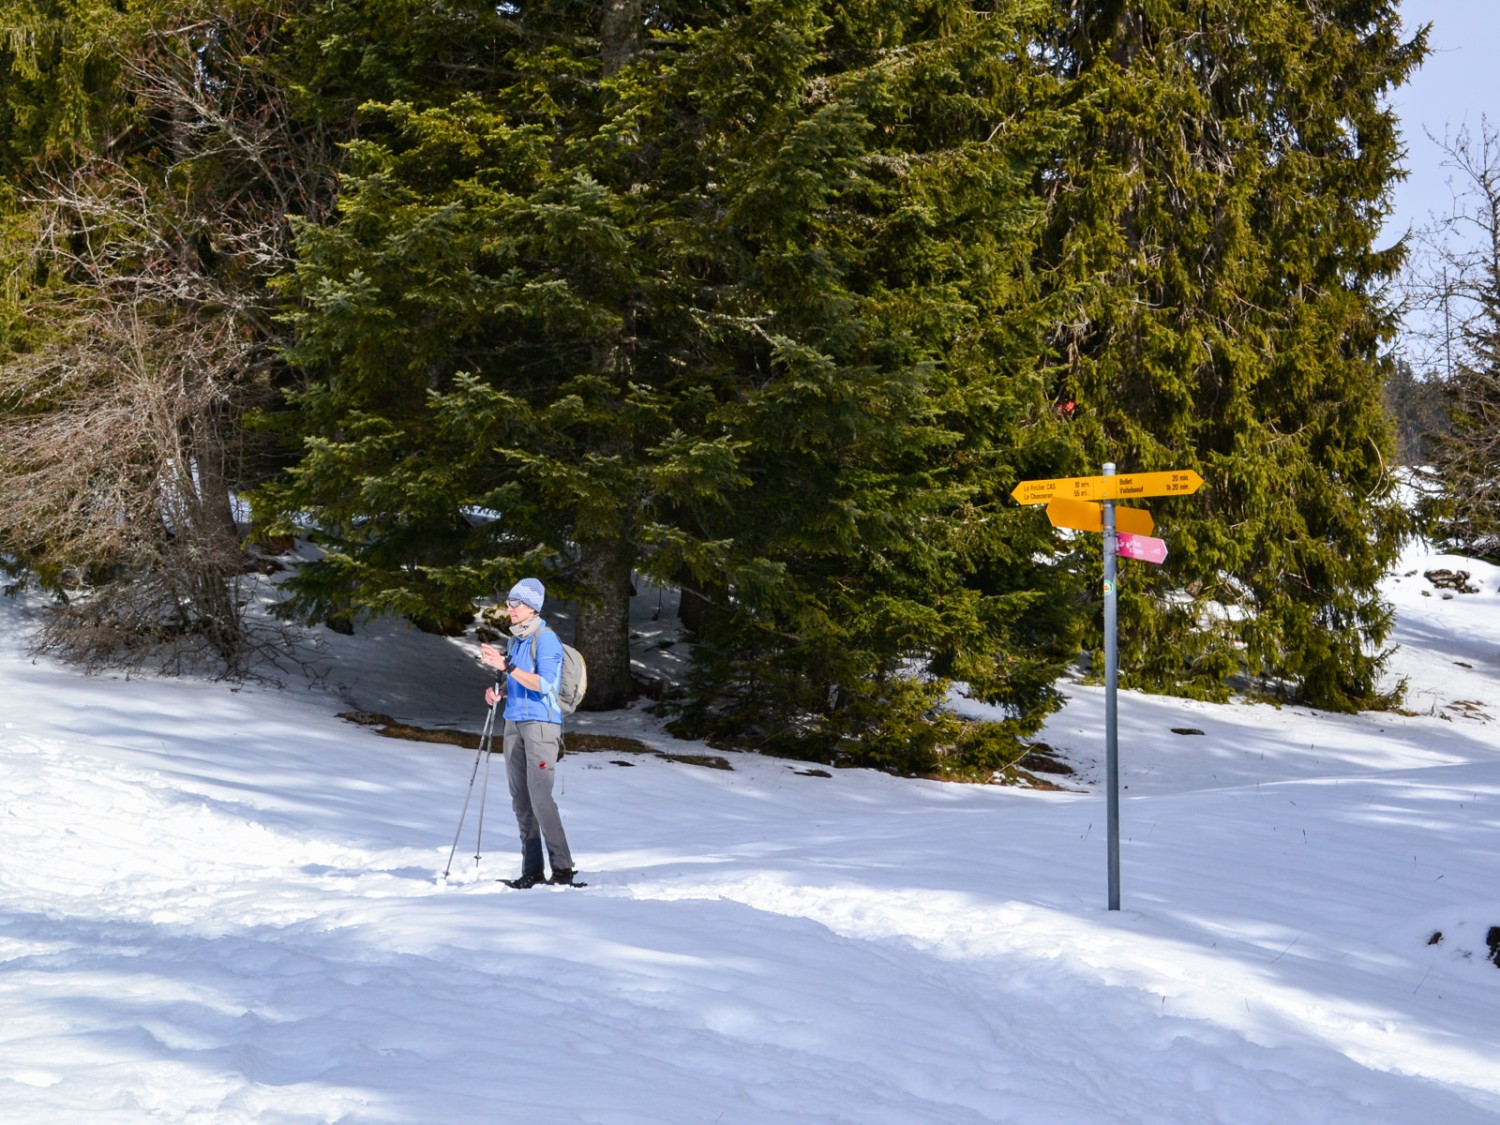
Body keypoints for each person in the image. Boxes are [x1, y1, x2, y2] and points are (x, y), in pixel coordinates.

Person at [479, 577, 577, 888]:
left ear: (532, 607)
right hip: (513, 723)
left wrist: (506, 667)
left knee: (540, 797)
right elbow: (520, 681)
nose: (509, 608)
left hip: (541, 726)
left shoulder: (546, 639)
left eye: (515, 603)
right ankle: (532, 871)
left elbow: (544, 684)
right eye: (508, 602)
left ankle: (562, 870)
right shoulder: (515, 640)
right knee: (521, 799)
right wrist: (500, 693)